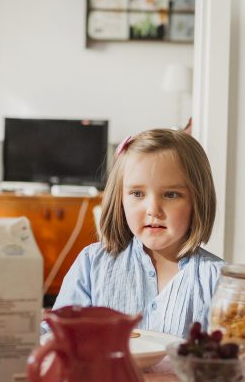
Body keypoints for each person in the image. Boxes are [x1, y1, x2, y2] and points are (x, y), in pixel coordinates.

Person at [52, 128, 222, 337]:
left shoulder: (218, 280)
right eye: (137, 193)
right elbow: (56, 336)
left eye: (170, 194)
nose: (153, 210)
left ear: (198, 200)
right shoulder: (91, 264)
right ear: (120, 199)